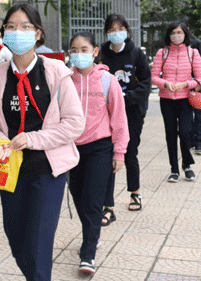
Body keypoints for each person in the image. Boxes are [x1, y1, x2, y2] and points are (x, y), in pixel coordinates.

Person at [0, 3, 85, 281]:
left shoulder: (56, 71)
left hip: (46, 170)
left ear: (38, 33)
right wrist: (0, 140)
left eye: (26, 26)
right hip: (9, 170)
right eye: (11, 26)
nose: (18, 32)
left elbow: (75, 123)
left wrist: (32, 139)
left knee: (38, 245)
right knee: (16, 239)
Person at [68, 31, 129, 275]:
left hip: (100, 147)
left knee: (93, 201)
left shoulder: (107, 81)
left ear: (94, 51)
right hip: (71, 148)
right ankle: (93, 233)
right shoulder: (64, 80)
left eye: (84, 49)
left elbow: (119, 118)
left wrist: (120, 152)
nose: (79, 54)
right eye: (74, 50)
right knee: (78, 196)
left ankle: (88, 254)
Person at [98, 14, 151, 223]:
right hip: (106, 112)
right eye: (112, 29)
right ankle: (107, 205)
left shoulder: (136, 53)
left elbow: (146, 83)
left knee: (129, 152)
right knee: (108, 154)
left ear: (127, 30)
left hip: (132, 111)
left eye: (120, 28)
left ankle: (135, 192)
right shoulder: (101, 54)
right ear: (106, 32)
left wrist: (127, 98)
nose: (116, 32)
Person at [151, 21, 201, 183]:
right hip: (166, 100)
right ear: (169, 35)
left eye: (179, 33)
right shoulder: (162, 53)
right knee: (170, 135)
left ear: (185, 35)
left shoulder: (193, 53)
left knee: (185, 133)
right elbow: (154, 77)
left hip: (185, 100)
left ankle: (187, 165)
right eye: (173, 33)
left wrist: (185, 84)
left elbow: (200, 78)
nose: (176, 36)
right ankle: (174, 169)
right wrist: (165, 83)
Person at [188, 30, 201, 155]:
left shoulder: (197, 43)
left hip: (197, 83)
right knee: (185, 112)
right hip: (183, 84)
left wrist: (200, 84)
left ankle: (198, 142)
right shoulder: (175, 45)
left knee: (198, 112)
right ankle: (188, 139)